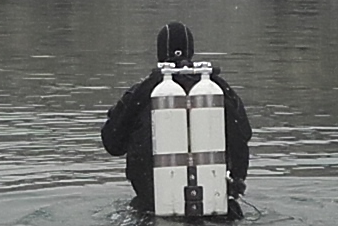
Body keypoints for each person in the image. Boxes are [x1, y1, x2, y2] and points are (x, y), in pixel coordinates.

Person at [102, 22, 253, 211]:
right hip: (214, 199)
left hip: (154, 203)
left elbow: (113, 144)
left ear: (159, 53)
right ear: (191, 51)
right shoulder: (217, 90)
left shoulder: (141, 93)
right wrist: (237, 180)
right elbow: (243, 134)